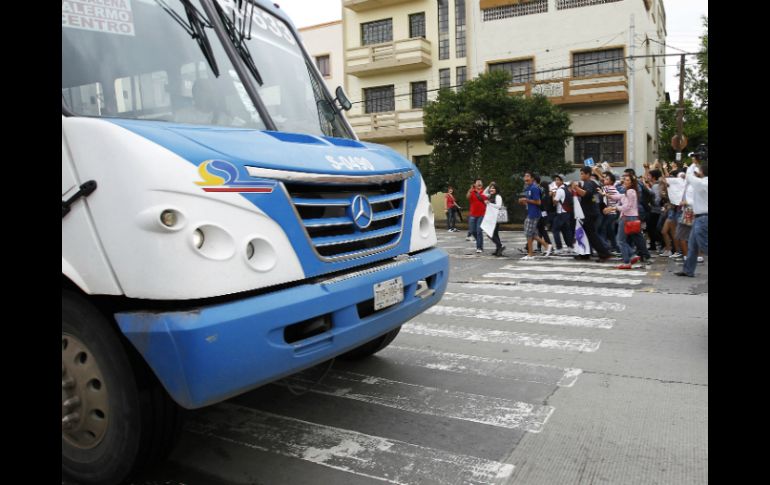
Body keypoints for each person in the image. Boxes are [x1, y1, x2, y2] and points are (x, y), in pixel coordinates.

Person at [607, 173, 649, 269]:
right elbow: (619, 196)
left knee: (620, 240)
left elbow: (627, 206)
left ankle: (628, 260)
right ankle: (632, 256)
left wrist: (614, 208)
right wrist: (606, 195)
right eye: (624, 179)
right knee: (625, 239)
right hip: (630, 217)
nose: (625, 181)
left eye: (627, 180)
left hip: (627, 217)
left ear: (631, 182)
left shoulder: (630, 191)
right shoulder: (629, 191)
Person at [570, 167, 612, 261]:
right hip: (591, 212)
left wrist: (576, 188)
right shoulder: (592, 183)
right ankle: (585, 254)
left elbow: (587, 195)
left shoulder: (589, 183)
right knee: (585, 234)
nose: (581, 176)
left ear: (588, 174)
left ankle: (604, 253)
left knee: (592, 235)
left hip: (589, 213)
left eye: (582, 174)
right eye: (580, 173)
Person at [676, 159, 708, 277]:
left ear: (702, 172)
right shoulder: (702, 182)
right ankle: (688, 270)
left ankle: (688, 270)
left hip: (703, 218)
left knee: (704, 245)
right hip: (700, 218)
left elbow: (689, 175)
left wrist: (694, 162)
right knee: (693, 246)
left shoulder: (702, 183)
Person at [518, 172, 552, 260]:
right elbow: (530, 201)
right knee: (532, 234)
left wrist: (526, 200)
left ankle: (531, 253)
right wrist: (524, 201)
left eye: (527, 176)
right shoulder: (528, 188)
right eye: (524, 176)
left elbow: (538, 202)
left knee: (529, 234)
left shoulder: (534, 188)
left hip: (534, 214)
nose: (525, 178)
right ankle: (546, 246)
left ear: (532, 178)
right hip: (531, 213)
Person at [551, 175, 574, 254]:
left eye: (558, 180)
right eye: (555, 180)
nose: (556, 181)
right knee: (566, 231)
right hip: (567, 213)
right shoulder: (567, 189)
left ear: (562, 181)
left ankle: (559, 248)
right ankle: (570, 247)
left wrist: (553, 195)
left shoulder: (560, 190)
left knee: (555, 230)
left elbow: (555, 202)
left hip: (560, 213)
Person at [483, 183, 506, 256]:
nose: (491, 189)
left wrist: (489, 203)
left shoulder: (498, 196)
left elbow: (499, 206)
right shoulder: (491, 196)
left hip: (495, 218)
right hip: (492, 217)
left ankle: (500, 246)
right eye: (491, 188)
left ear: (496, 189)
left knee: (490, 233)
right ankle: (498, 249)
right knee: (495, 233)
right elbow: (483, 193)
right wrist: (489, 185)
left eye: (493, 188)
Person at [467, 179, 487, 254]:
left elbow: (486, 200)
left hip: (482, 214)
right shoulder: (472, 191)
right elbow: (468, 197)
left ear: (482, 185)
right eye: (477, 182)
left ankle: (479, 247)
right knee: (472, 231)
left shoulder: (484, 192)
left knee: (479, 231)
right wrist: (470, 190)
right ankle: (479, 241)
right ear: (475, 184)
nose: (479, 183)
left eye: (480, 182)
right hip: (472, 214)